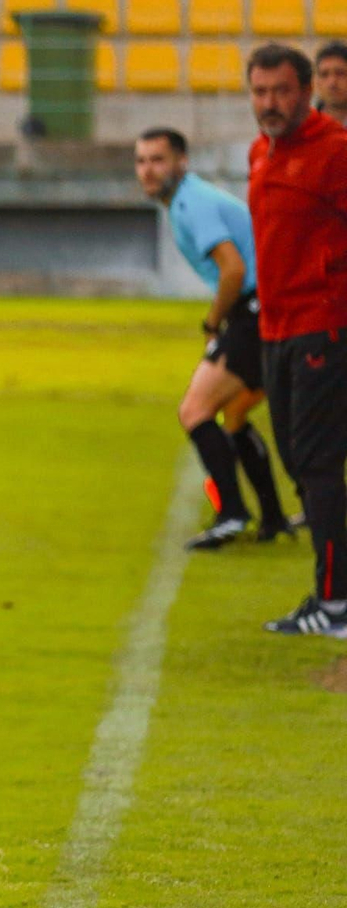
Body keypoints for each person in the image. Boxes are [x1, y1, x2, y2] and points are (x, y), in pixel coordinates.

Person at [133, 126, 292, 549]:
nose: (148, 170)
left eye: (158, 160)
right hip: (266, 306)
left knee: (194, 410)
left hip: (256, 308)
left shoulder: (191, 203)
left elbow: (234, 270)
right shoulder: (187, 199)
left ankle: (232, 514)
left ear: (181, 162)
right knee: (235, 416)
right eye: (142, 161)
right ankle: (273, 518)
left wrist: (211, 324)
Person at [245, 46, 347, 635]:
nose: (269, 104)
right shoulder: (261, 152)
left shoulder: (334, 152)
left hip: (322, 328)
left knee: (318, 463)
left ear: (307, 91)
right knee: (296, 462)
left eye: (281, 91)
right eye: (259, 92)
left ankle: (333, 603)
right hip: (274, 329)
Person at [316, 41, 347, 126]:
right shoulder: (302, 128)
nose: (332, 82)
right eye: (324, 74)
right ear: (317, 82)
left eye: (340, 73)